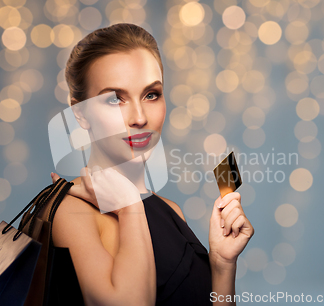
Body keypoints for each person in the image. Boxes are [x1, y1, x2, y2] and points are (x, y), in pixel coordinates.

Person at [49, 23, 254, 306]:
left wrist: (221, 265)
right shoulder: (70, 211)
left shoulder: (171, 211)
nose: (139, 117)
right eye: (114, 99)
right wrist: (130, 206)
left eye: (151, 95)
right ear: (79, 113)